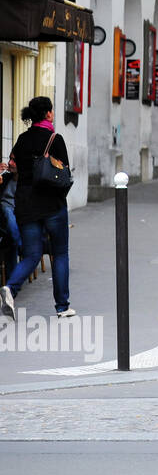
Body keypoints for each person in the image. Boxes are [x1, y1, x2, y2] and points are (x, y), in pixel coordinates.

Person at [2, 97, 73, 319]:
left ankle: (10, 288)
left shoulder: (22, 140)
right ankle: (62, 307)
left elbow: (13, 167)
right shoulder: (55, 139)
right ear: (49, 114)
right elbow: (65, 172)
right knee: (60, 254)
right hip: (52, 205)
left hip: (26, 204)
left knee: (31, 255)